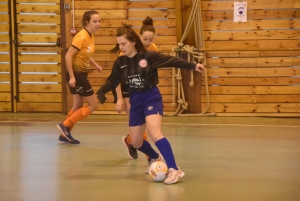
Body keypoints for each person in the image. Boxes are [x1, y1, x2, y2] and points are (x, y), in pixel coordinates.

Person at [107, 23, 205, 184]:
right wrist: (114, 97)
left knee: (154, 132)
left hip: (151, 97)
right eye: (119, 44)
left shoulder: (149, 56)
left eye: (123, 43)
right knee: (136, 141)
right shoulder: (120, 62)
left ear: (132, 41)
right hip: (135, 101)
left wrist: (193, 65)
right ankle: (155, 157)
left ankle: (174, 169)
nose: (121, 47)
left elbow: (172, 60)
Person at [96, 16, 158, 163]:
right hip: (126, 89)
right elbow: (116, 78)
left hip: (142, 90)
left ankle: (131, 141)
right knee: (137, 123)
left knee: (144, 126)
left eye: (151, 40)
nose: (148, 43)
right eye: (145, 39)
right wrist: (119, 98)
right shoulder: (126, 50)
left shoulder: (151, 51)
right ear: (138, 38)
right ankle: (151, 157)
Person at [57, 10, 102, 144]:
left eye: (99, 21)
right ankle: (65, 125)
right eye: (95, 21)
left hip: (79, 74)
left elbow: (84, 54)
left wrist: (96, 65)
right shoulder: (81, 36)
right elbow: (68, 55)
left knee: (77, 104)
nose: (98, 24)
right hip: (77, 75)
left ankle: (65, 134)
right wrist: (72, 77)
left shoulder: (90, 35)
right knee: (93, 105)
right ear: (87, 22)